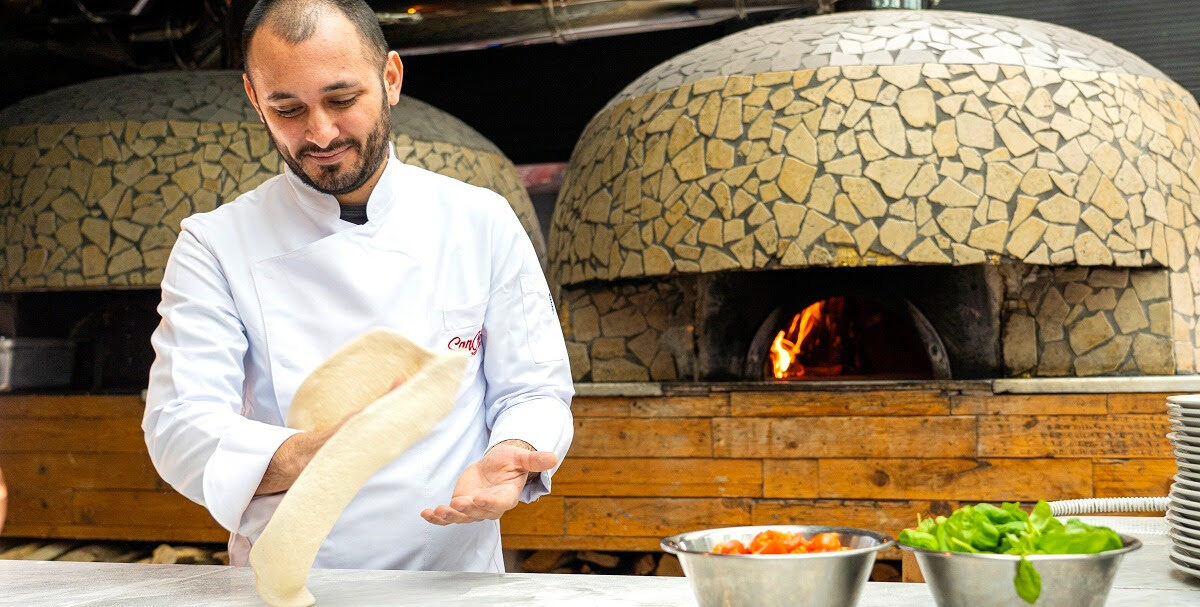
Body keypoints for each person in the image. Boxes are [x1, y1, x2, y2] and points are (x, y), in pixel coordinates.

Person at [142, 0, 573, 572]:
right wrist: (317, 452)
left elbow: (533, 388)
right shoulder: (215, 244)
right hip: (293, 581)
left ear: (390, 79)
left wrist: (511, 450)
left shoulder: (480, 221)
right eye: (288, 109)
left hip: (455, 584)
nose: (320, 133)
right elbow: (180, 424)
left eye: (342, 101)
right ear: (254, 99)